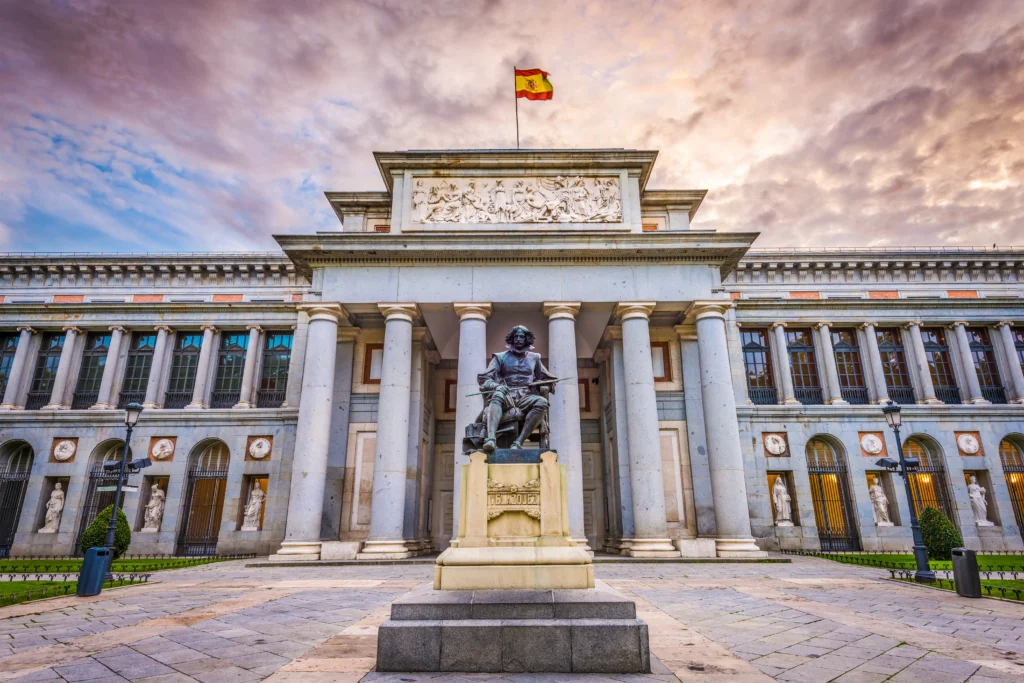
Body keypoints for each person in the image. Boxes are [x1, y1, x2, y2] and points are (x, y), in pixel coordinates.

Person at [477, 325, 557, 452]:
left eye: (522, 336)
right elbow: (484, 378)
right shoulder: (500, 357)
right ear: (511, 339)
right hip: (506, 396)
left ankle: (518, 442)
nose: (518, 339)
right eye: (516, 336)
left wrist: (544, 383)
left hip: (526, 397)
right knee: (497, 394)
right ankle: (491, 439)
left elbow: (546, 378)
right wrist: (497, 386)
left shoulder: (535, 358)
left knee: (542, 402)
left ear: (527, 339)